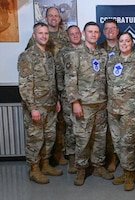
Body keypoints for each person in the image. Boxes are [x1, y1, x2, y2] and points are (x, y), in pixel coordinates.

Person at [64, 21, 113, 186]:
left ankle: (98, 166)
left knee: (100, 137)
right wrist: (75, 102)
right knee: (82, 138)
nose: (93, 34)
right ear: (84, 34)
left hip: (101, 103)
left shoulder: (103, 54)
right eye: (90, 31)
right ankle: (81, 169)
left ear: (99, 35)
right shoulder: (75, 54)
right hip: (83, 104)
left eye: (96, 32)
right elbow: (70, 80)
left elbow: (107, 79)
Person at [17, 22, 62, 184]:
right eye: (40, 33)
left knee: (49, 137)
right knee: (35, 138)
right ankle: (34, 169)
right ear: (34, 35)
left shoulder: (49, 56)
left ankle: (45, 164)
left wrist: (56, 99)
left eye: (46, 33)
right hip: (36, 106)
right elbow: (25, 85)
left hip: (50, 104)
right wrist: (32, 108)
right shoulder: (27, 56)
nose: (44, 36)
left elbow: (52, 81)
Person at [26, 7, 69, 165]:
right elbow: (27, 74)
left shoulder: (64, 38)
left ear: (59, 19)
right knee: (37, 133)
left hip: (59, 88)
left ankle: (57, 155)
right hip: (39, 94)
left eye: (56, 16)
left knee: (58, 126)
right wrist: (32, 105)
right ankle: (38, 166)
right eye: (50, 15)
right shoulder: (33, 47)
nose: (53, 18)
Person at [106, 32, 135, 191]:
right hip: (113, 109)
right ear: (118, 43)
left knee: (127, 143)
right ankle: (124, 171)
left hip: (131, 110)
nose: (124, 43)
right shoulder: (112, 60)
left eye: (127, 41)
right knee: (118, 143)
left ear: (132, 43)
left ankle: (129, 175)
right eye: (121, 41)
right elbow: (108, 82)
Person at [55, 25, 83, 174]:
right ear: (68, 36)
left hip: (86, 97)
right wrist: (61, 94)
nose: (75, 35)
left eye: (77, 33)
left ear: (81, 34)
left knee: (86, 129)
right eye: (72, 34)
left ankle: (85, 159)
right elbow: (59, 74)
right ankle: (72, 158)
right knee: (71, 127)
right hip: (68, 98)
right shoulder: (62, 53)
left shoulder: (88, 49)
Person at [99, 19, 120, 172]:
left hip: (122, 97)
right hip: (101, 96)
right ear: (103, 32)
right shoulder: (98, 49)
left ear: (117, 30)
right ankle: (106, 158)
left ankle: (116, 158)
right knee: (105, 130)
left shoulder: (126, 46)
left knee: (119, 130)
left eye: (113, 28)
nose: (110, 31)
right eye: (107, 28)